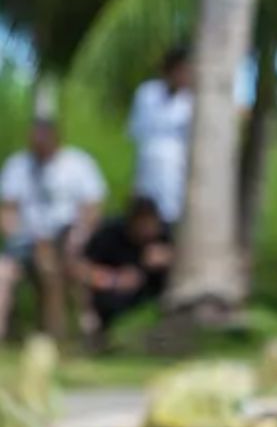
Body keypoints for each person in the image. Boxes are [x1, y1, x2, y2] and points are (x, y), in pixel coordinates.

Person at [0, 119, 106, 340]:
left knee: (72, 271)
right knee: (3, 272)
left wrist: (78, 239)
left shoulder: (78, 164)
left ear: (56, 140)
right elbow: (7, 211)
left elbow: (93, 210)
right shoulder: (17, 166)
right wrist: (19, 235)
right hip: (27, 245)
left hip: (70, 243)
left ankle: (77, 335)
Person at [77, 195, 174, 336]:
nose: (147, 230)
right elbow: (80, 268)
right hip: (112, 297)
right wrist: (114, 279)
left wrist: (166, 257)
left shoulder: (165, 234)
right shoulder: (109, 234)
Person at [128, 45, 193, 226]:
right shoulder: (147, 93)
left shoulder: (192, 101)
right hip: (148, 171)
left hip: (177, 174)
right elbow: (139, 138)